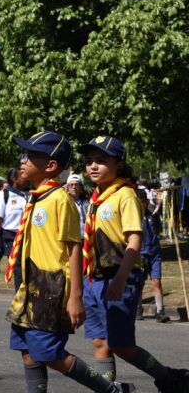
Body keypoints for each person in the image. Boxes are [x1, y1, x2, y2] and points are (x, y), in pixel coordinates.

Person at [5, 131, 134, 393]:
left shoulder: (60, 200)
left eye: (31, 155)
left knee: (50, 354)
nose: (23, 160)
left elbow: (74, 248)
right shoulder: (37, 197)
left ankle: (110, 390)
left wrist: (76, 296)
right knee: (27, 351)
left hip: (50, 289)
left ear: (51, 165)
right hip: (29, 288)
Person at [78, 136, 189, 391]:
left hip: (120, 277)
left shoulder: (125, 194)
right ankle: (109, 389)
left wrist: (120, 279)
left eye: (101, 160)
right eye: (89, 161)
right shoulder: (97, 197)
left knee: (121, 344)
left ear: (118, 163)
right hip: (95, 277)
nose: (93, 166)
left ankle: (169, 377)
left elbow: (134, 241)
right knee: (100, 342)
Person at [0, 168, 29, 281]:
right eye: (22, 175)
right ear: (14, 179)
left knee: (31, 272)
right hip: (12, 238)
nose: (26, 178)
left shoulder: (32, 193)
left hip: (31, 238)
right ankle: (19, 292)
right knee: (19, 271)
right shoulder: (3, 195)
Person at [135, 188, 168, 323]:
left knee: (156, 282)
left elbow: (159, 229)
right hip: (140, 254)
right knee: (140, 283)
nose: (143, 204)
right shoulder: (134, 216)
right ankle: (138, 308)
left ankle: (160, 311)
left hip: (154, 253)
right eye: (140, 202)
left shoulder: (153, 213)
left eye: (144, 201)